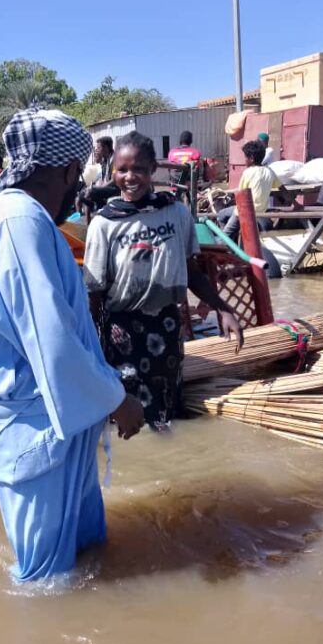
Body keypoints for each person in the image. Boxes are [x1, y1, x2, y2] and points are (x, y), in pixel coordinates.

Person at [0, 109, 144, 582]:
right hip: (32, 428)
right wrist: (118, 401)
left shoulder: (17, 216)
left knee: (90, 557)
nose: (77, 187)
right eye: (76, 174)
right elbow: (50, 338)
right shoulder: (18, 220)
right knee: (45, 584)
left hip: (58, 419)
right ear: (64, 170)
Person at [84, 131, 243, 431]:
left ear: (152, 170)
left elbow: (191, 271)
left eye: (139, 169)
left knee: (166, 410)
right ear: (113, 171)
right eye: (122, 169)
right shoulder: (104, 224)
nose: (130, 177)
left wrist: (222, 308)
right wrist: (91, 344)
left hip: (168, 328)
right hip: (122, 333)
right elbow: (94, 292)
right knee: (128, 414)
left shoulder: (176, 213)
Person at [217, 140, 286, 240]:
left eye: (245, 157)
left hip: (244, 211)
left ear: (251, 159)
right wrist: (296, 204)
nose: (244, 160)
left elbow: (241, 195)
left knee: (221, 216)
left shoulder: (248, 172)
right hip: (261, 211)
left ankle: (228, 245)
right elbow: (283, 189)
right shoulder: (270, 172)